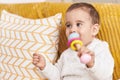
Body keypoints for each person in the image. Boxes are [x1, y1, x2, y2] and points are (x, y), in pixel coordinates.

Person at [32, 2, 114, 80]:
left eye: (79, 24)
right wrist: (45, 66)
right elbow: (57, 76)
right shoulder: (66, 54)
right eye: (68, 25)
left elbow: (106, 74)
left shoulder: (100, 47)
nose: (72, 30)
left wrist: (92, 63)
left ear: (94, 30)